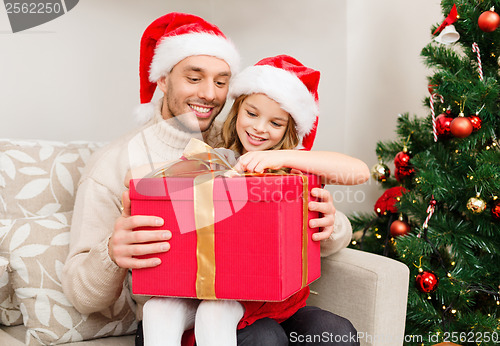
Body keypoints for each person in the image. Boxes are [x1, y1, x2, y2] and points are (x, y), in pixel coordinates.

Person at [61, 12, 355, 346]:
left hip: (261, 298)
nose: (209, 94)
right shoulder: (113, 163)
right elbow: (82, 296)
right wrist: (111, 253)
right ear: (162, 79)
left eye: (220, 81)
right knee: (262, 335)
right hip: (180, 310)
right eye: (194, 77)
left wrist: (330, 224)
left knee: (333, 333)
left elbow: (311, 193)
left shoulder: (241, 139)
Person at [141, 55, 369, 346]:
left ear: (289, 130)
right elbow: (149, 185)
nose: (260, 128)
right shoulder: (217, 158)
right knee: (165, 308)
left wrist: (279, 156)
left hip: (274, 299)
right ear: (237, 111)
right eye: (252, 114)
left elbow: (359, 172)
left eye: (275, 122)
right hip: (215, 286)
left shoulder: (294, 171)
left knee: (333, 331)